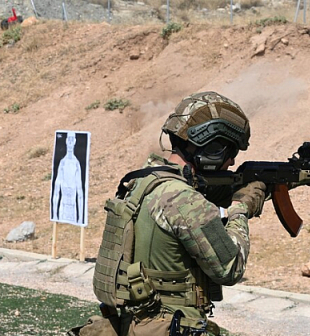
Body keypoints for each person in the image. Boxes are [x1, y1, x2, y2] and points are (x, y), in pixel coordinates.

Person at [69, 92, 267, 336]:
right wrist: (240, 208)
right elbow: (230, 268)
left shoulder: (143, 181)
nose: (232, 161)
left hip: (137, 323)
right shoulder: (183, 199)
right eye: (229, 151)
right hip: (171, 326)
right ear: (212, 147)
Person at [52, 131, 84, 224]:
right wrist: (55, 215)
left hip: (73, 207)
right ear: (66, 141)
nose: (70, 142)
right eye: (68, 140)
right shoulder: (63, 163)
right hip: (63, 205)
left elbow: (80, 192)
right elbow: (56, 190)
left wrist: (81, 218)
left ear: (74, 141)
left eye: (72, 140)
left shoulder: (76, 163)